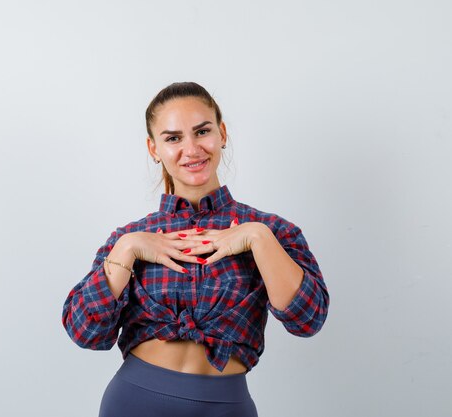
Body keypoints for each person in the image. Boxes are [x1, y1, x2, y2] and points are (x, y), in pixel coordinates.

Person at [61, 81, 330, 417]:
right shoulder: (129, 236)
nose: (191, 149)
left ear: (222, 133)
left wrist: (258, 239)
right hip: (133, 403)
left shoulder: (272, 230)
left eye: (202, 132)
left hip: (226, 407)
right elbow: (85, 330)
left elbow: (308, 319)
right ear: (153, 148)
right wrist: (127, 249)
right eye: (173, 138)